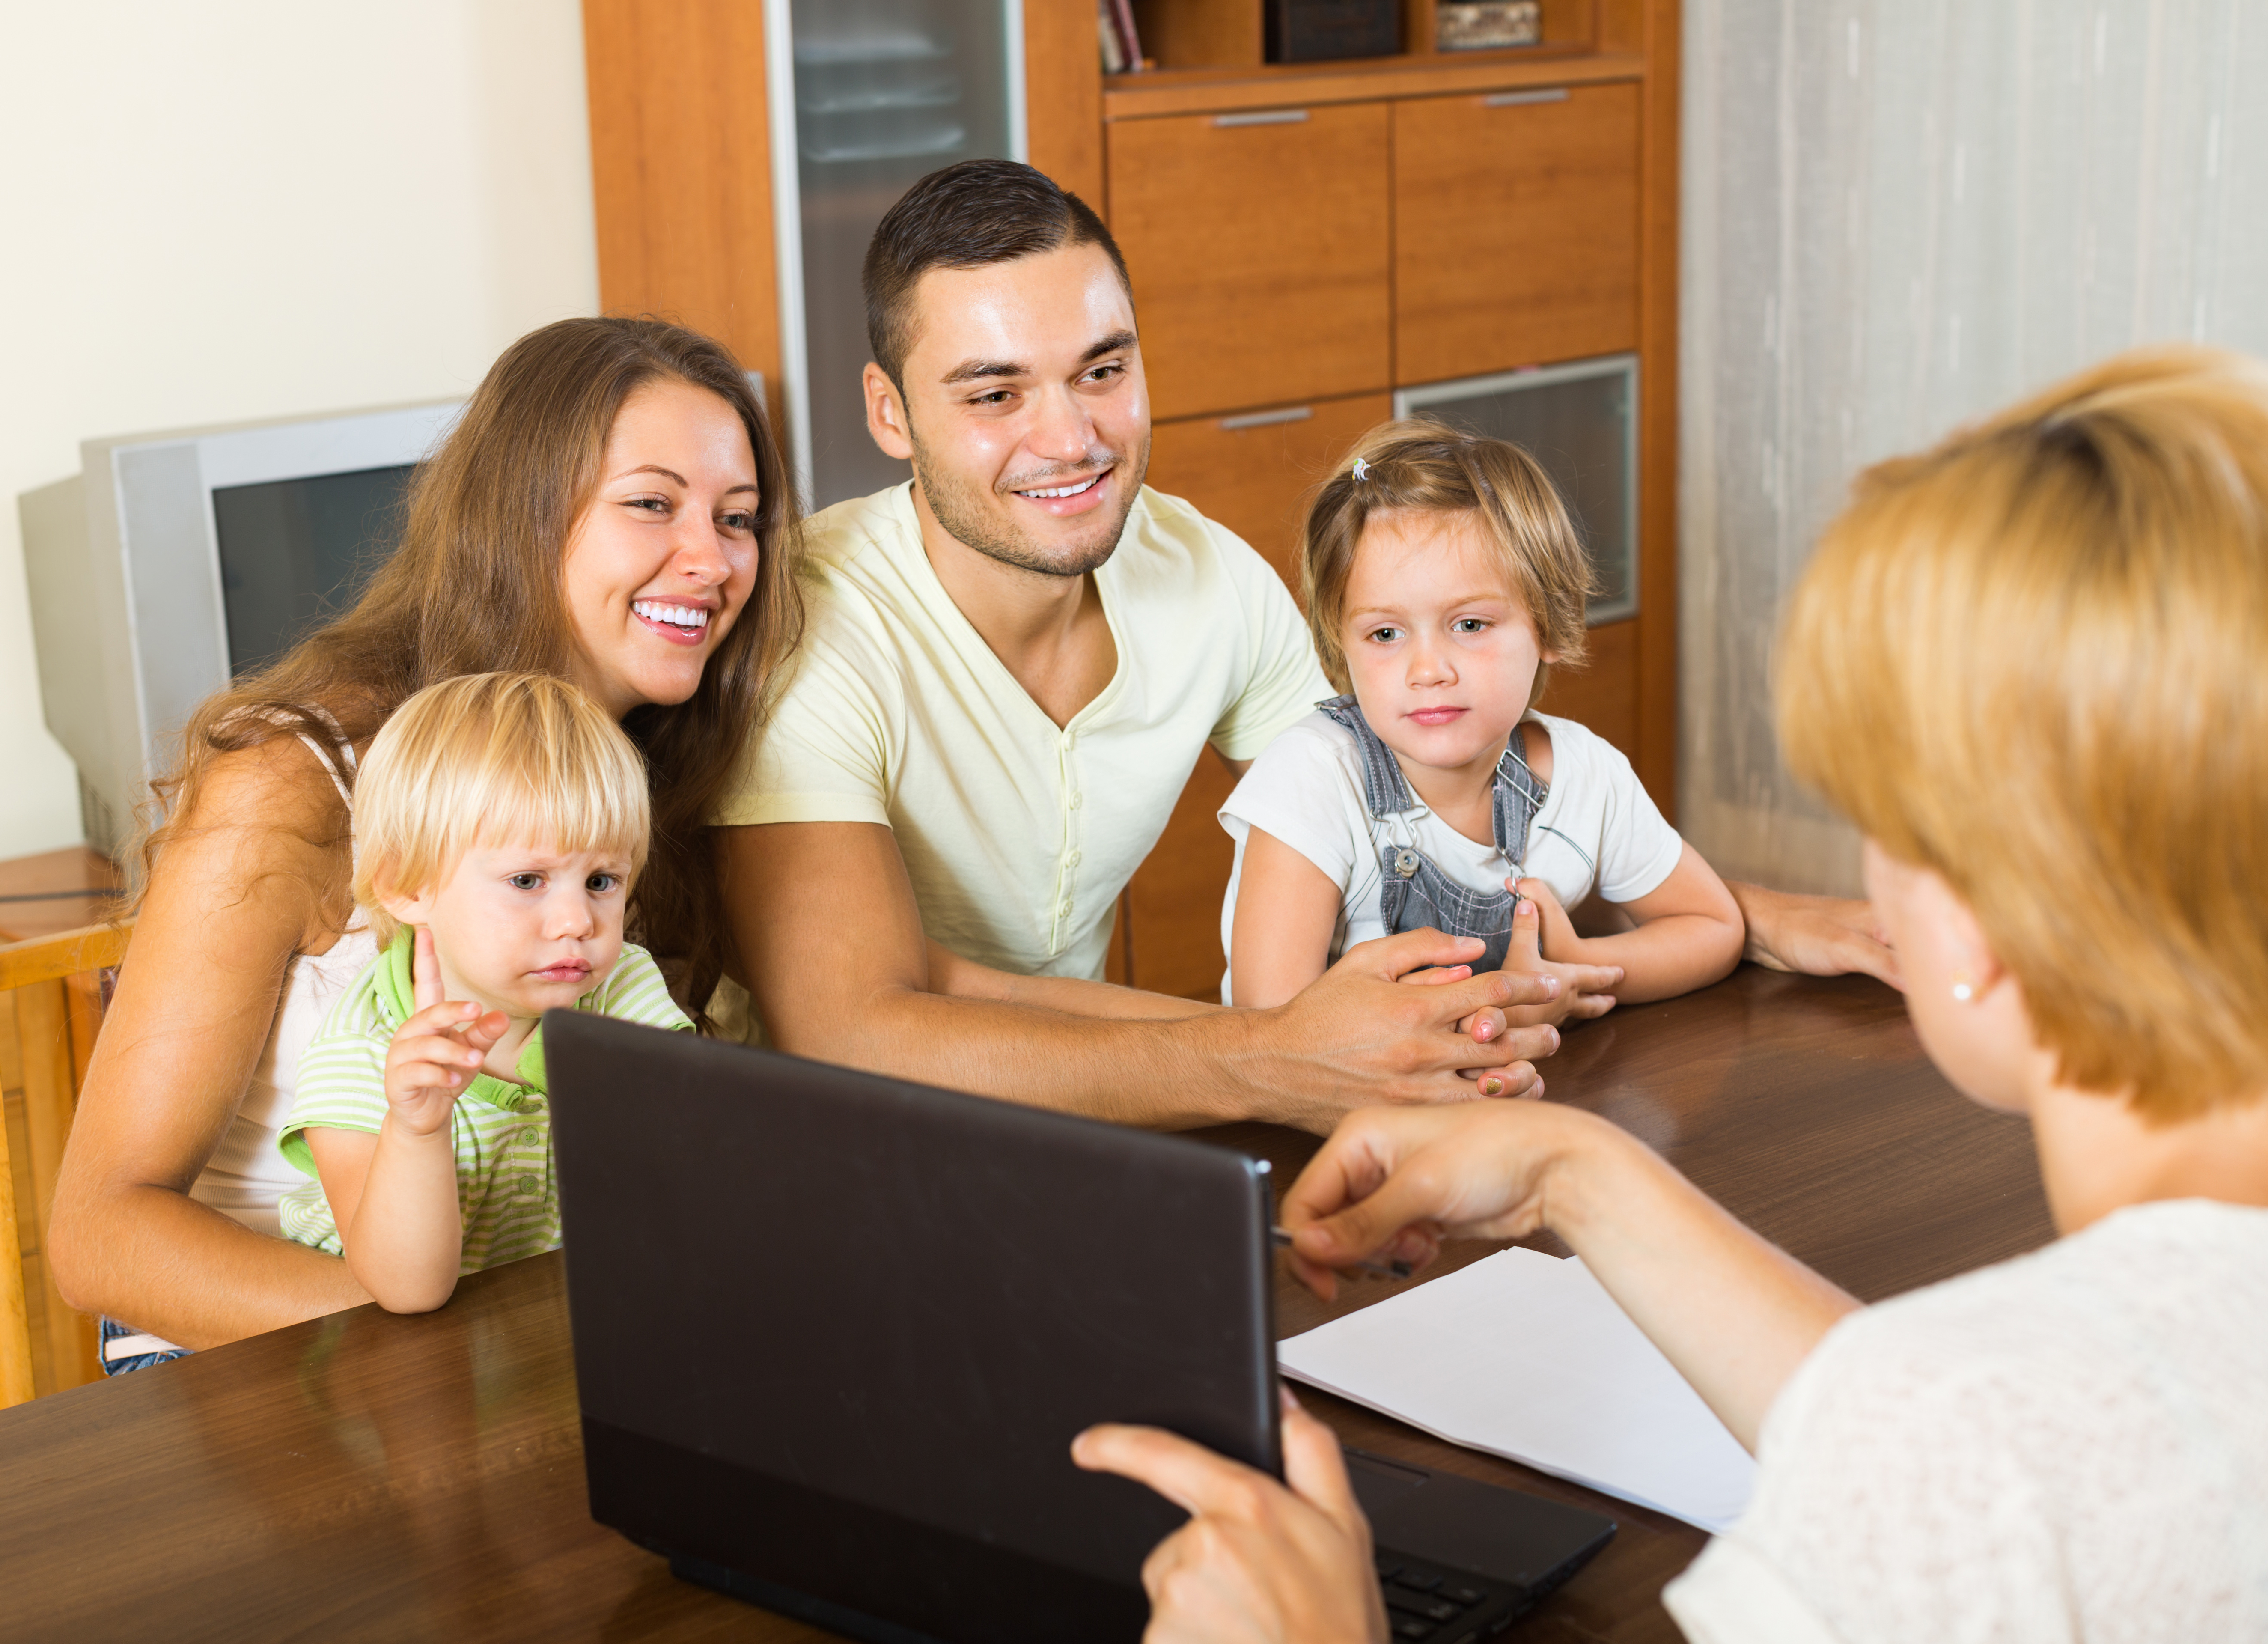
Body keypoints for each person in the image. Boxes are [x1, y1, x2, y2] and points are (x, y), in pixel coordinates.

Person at [1073, 346, 2268, 1641]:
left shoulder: (1963, 1476)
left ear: (1975, 924)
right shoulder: (2003, 1422)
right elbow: (1909, 1420)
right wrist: (1575, 1171)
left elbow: (1945, 1473)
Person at [717, 157, 1878, 1131]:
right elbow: (851, 1029)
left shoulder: (1206, 577)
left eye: (1103, 371)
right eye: (995, 395)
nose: (1068, 438)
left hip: (1066, 1123)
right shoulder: (814, 625)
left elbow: (1416, 779)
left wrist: (1742, 918)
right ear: (889, 413)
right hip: (804, 1145)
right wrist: (1269, 1053)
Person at [47, 315, 801, 1362]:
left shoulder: (670, 768)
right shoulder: (294, 781)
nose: (712, 561)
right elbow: (103, 1237)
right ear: (523, 520)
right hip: (270, 1348)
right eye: (651, 505)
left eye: (739, 519)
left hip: (518, 1333)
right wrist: (441, 1346)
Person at [1220, 422, 1743, 1019]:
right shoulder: (1312, 775)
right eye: (1385, 634)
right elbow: (1274, 1026)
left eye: (1469, 624)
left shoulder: (1588, 775)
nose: (1428, 670)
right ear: (1340, 647)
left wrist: (1573, 972)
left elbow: (1710, 925)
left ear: (1548, 622)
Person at [277, 673, 690, 1313]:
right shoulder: (365, 1051)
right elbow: (409, 1293)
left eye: (602, 880)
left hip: (546, 1330)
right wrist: (417, 1128)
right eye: (528, 879)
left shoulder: (621, 987)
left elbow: (681, 1195)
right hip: (390, 1359)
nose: (578, 921)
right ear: (409, 888)